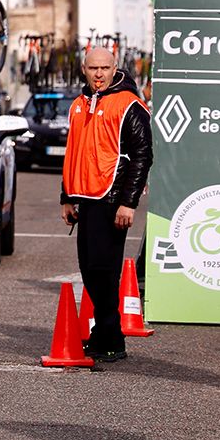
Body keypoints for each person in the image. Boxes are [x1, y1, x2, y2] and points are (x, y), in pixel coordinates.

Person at [59, 46, 152, 364]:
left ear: (115, 69)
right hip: (84, 198)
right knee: (89, 269)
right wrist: (67, 197)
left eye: (104, 68)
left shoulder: (129, 106)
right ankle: (104, 336)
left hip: (111, 200)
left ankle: (111, 339)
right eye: (92, 68)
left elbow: (142, 156)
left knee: (104, 270)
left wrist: (128, 203)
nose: (98, 74)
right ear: (84, 69)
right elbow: (73, 152)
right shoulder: (78, 105)